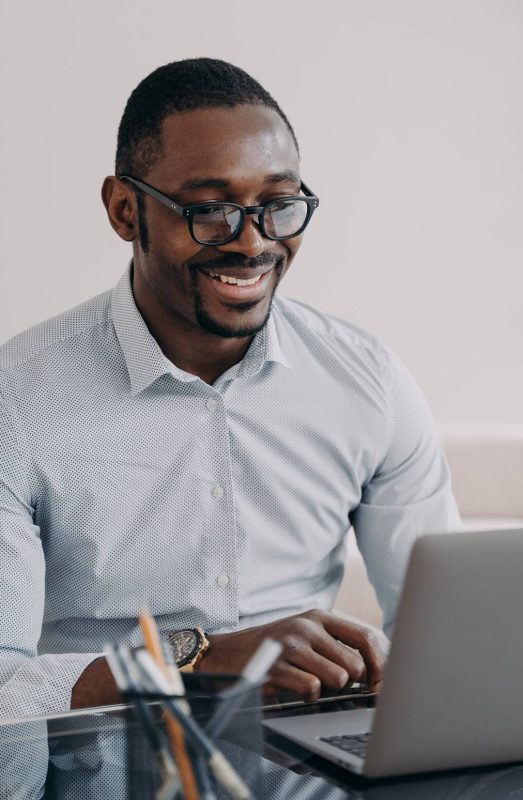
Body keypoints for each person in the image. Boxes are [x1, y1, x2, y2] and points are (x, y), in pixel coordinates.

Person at [0, 58, 460, 718]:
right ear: (126, 210)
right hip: (108, 765)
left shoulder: (368, 379)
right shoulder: (17, 402)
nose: (251, 243)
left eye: (278, 205)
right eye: (210, 210)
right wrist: (197, 660)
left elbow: (440, 635)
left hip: (311, 761)